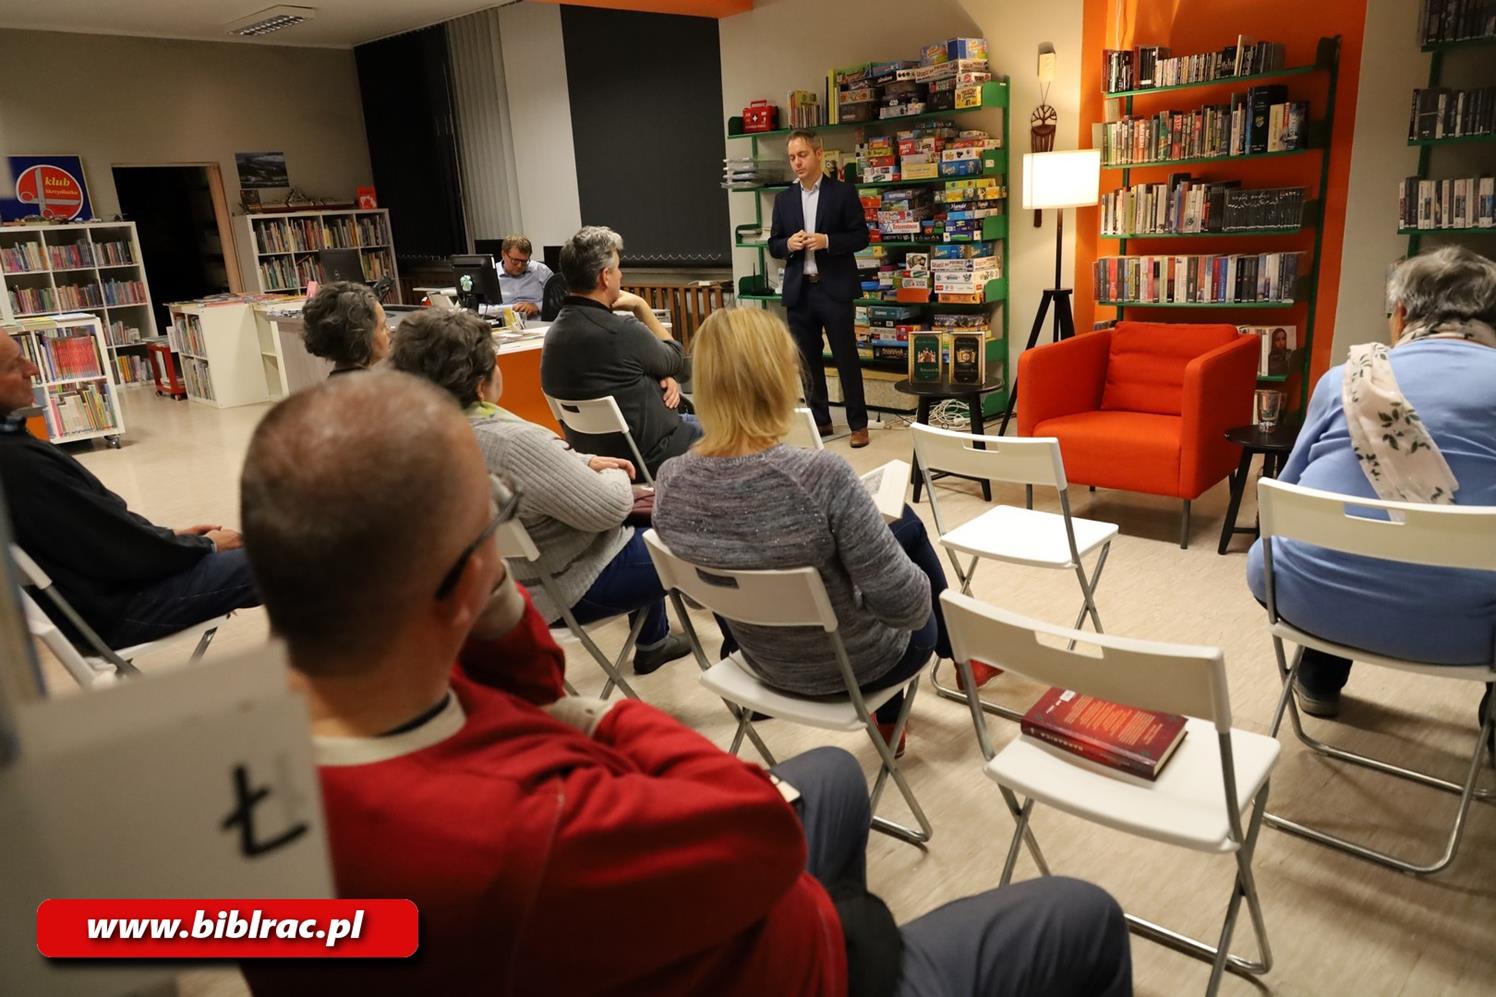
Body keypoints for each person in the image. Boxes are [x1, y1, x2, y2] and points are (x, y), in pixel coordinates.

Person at [237, 370, 1132, 997]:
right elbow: (754, 828)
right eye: (494, 524)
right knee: (1082, 913)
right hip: (780, 960)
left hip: (635, 923)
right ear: (469, 573)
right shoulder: (538, 831)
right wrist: (592, 715)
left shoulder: (239, 764)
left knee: (829, 775)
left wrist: (505, 629)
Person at [653, 308, 998, 756]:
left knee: (897, 531)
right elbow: (911, 610)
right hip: (860, 667)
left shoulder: (671, 481)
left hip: (760, 664)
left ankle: (932, 686)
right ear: (782, 377)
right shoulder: (821, 477)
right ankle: (955, 664)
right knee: (905, 528)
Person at [1247, 246, 1496, 721]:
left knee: (1310, 543)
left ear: (1400, 314)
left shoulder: (1343, 378)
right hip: (1467, 629)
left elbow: (1285, 491)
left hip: (1305, 596)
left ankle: (1318, 675)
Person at [389, 307, 691, 674]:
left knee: (648, 525)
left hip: (504, 582)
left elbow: (545, 469)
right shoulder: (509, 441)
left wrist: (586, 462)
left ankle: (654, 642)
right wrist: (617, 473)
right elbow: (610, 508)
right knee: (705, 537)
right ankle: (742, 659)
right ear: (481, 382)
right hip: (568, 586)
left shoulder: (418, 437)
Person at [0, 335, 258, 648]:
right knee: (287, 557)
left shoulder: (15, 445)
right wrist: (206, 545)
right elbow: (115, 548)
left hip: (107, 593)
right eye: (14, 365)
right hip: (118, 608)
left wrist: (173, 537)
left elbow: (94, 531)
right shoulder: (18, 464)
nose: (32, 369)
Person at [540, 226, 698, 478]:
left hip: (596, 458)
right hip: (653, 455)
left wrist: (660, 372)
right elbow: (681, 364)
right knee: (733, 432)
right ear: (605, 276)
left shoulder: (554, 335)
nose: (621, 274)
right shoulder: (622, 331)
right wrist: (641, 307)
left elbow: (615, 373)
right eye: (618, 268)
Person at [770, 130, 872, 448]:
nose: (797, 163)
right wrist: (789, 243)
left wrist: (827, 241)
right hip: (800, 291)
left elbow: (861, 237)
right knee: (807, 361)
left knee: (846, 358)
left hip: (834, 290)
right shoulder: (784, 199)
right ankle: (820, 421)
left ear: (818, 154)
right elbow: (773, 244)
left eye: (802, 155)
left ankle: (859, 425)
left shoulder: (842, 193)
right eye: (792, 158)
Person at [301, 280, 391, 376]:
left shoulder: (332, 382)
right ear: (359, 336)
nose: (389, 332)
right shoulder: (378, 385)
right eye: (383, 327)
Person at [494, 234, 554, 318]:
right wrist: (509, 309)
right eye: (515, 260)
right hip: (503, 323)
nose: (519, 266)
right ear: (503, 254)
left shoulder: (541, 270)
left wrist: (537, 306)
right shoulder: (491, 274)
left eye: (524, 261)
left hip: (536, 323)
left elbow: (558, 299)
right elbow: (481, 308)